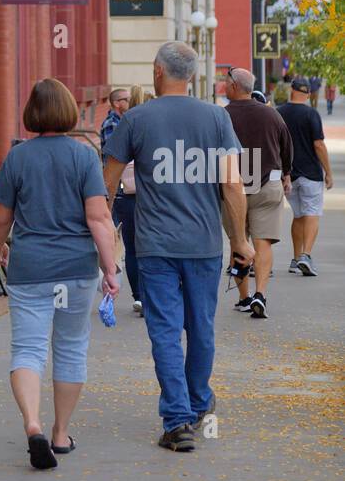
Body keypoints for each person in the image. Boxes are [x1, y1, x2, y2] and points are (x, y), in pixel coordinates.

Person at [102, 42, 253, 454]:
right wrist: (239, 240)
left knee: (165, 331)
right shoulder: (216, 118)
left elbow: (108, 182)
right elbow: (232, 184)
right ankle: (198, 401)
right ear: (192, 75)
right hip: (203, 244)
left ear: (157, 71)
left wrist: (104, 232)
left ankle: (177, 420)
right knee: (201, 326)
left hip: (155, 245)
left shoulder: (135, 119)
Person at [0, 78, 119, 471]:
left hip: (30, 268)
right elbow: (98, 218)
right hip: (75, 270)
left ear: (32, 112)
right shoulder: (84, 156)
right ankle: (61, 434)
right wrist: (110, 268)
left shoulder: (18, 157)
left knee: (27, 350)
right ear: (68, 112)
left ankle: (32, 423)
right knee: (71, 347)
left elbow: (1, 215)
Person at [223, 67, 293, 319]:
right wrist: (287, 174)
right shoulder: (271, 114)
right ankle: (260, 294)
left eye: (225, 82)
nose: (223, 86)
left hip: (232, 188)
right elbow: (286, 146)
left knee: (238, 241)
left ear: (234, 86)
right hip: (267, 185)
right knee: (263, 243)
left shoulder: (222, 115)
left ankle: (244, 297)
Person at [278, 76, 333, 276]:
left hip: (288, 175)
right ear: (308, 94)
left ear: (291, 90)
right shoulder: (311, 114)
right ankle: (306, 256)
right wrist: (328, 172)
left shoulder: (279, 112)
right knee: (312, 213)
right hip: (310, 173)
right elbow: (319, 144)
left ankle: (295, 258)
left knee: (298, 215)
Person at [111, 84, 147, 317]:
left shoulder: (123, 126)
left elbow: (112, 162)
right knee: (147, 247)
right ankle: (148, 295)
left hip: (126, 194)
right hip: (150, 195)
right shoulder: (151, 125)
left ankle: (140, 297)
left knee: (132, 248)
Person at [99, 86, 130, 155]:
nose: (130, 102)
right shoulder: (111, 123)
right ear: (116, 104)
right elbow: (113, 151)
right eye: (127, 100)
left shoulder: (122, 120)